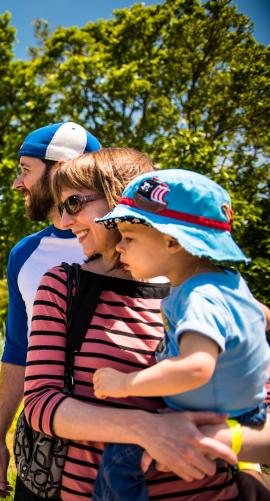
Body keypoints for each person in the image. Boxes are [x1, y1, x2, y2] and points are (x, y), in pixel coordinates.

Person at [21, 148, 270, 500]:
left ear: (124, 199)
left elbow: (254, 400)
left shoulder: (207, 293)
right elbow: (40, 403)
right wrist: (147, 429)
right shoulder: (64, 286)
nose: (64, 221)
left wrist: (247, 467)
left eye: (74, 203)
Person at [90, 169, 270, 500]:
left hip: (216, 419)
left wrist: (125, 383)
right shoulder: (227, 280)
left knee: (121, 457)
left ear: (172, 241)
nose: (120, 248)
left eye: (129, 237)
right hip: (242, 410)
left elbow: (196, 367)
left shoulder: (198, 296)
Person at [0, 122, 101, 498]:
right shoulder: (24, 254)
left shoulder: (132, 244)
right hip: (42, 452)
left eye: (25, 169)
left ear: (62, 169)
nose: (18, 183)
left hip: (116, 453)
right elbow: (19, 351)